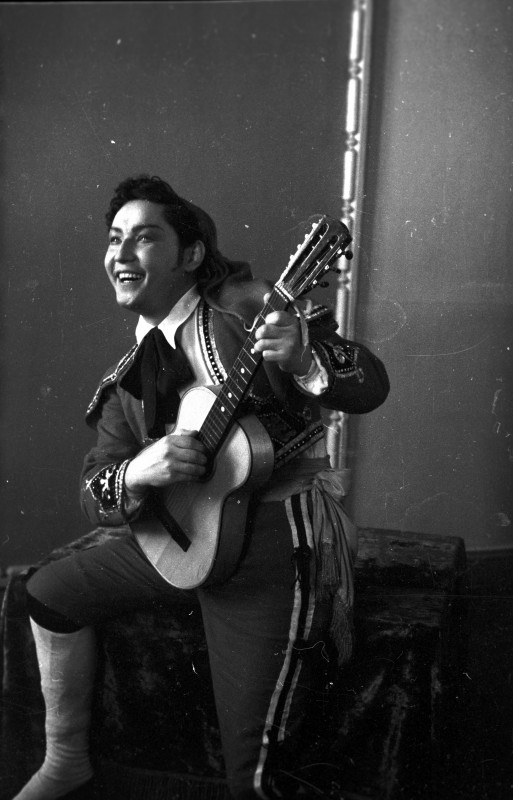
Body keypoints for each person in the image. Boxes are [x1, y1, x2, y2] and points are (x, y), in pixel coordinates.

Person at [13, 175, 389, 800]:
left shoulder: (252, 307)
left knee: (253, 771)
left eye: (144, 237)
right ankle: (65, 761)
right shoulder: (126, 378)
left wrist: (302, 357)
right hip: (179, 538)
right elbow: (95, 490)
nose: (121, 253)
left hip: (271, 544)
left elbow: (370, 384)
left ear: (190, 254)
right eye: (114, 239)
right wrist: (140, 471)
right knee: (49, 594)